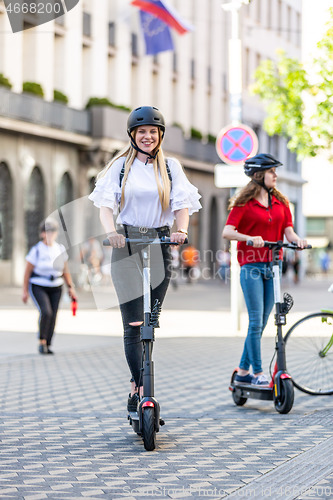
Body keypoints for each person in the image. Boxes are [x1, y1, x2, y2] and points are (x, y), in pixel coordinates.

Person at [88, 106, 201, 411]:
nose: (148, 136)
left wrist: (182, 230)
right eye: (142, 132)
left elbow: (181, 204)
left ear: (160, 135)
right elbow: (106, 206)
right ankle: (140, 386)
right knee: (134, 324)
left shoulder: (171, 167)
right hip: (126, 243)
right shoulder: (120, 168)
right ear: (133, 136)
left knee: (150, 322)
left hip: (159, 242)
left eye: (153, 131)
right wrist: (112, 232)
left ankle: (142, 380)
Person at [222, 153, 307, 386]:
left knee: (264, 320)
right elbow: (227, 231)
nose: (276, 175)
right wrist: (249, 238)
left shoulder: (282, 202)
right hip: (251, 266)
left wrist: (298, 240)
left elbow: (288, 231)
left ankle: (242, 371)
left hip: (274, 266)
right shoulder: (243, 204)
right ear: (259, 175)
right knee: (256, 321)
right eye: (272, 172)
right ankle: (258, 374)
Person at [22, 217, 77, 354]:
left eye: (52, 231)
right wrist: (25, 291)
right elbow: (27, 272)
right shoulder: (37, 250)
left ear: (56, 233)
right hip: (38, 285)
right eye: (47, 232)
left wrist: (71, 287)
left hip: (56, 286)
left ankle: (48, 342)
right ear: (42, 234)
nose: (50, 234)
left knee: (53, 315)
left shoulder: (60, 249)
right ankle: (41, 341)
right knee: (46, 312)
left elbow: (65, 270)